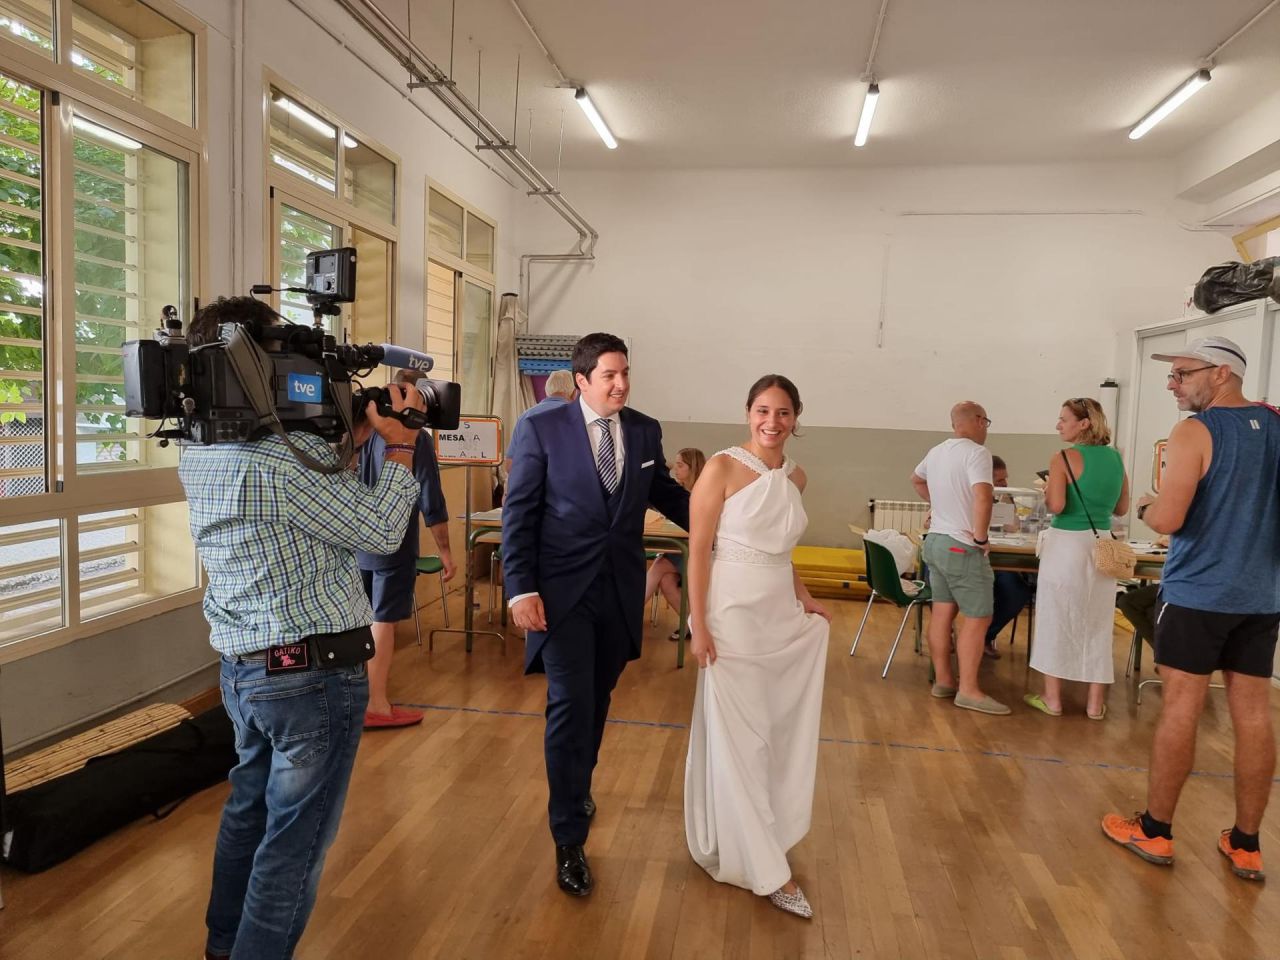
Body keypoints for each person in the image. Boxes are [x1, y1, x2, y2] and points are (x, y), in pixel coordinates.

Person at [179, 297, 425, 960]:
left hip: (244, 671)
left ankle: (222, 947)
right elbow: (376, 531)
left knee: (248, 814)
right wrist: (401, 447)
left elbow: (307, 510)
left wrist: (356, 441)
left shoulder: (201, 450)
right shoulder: (280, 463)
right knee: (294, 845)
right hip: (311, 678)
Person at [503, 333, 691, 897]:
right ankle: (568, 836)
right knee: (570, 702)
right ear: (581, 380)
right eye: (609, 375)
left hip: (618, 592)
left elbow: (668, 496)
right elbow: (520, 513)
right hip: (560, 595)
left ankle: (579, 780)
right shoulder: (541, 428)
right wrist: (520, 590)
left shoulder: (643, 429)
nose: (621, 384)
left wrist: (728, 514)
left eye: (626, 373)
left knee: (599, 697)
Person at [1103, 336, 1280, 883]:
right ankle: (1246, 843)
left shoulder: (1194, 431)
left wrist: (1149, 504)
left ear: (1222, 373)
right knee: (1253, 713)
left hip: (1198, 594)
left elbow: (1169, 520)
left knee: (1182, 705)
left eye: (1182, 372)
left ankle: (1155, 831)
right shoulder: (1277, 425)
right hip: (1261, 596)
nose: (1172, 383)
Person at [684, 375, 831, 919]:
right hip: (731, 613)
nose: (773, 422)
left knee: (769, 730)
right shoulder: (719, 468)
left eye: (785, 412)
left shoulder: (797, 475)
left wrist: (805, 596)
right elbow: (698, 551)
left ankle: (758, 831)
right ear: (748, 413)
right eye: (763, 411)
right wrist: (699, 623)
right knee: (741, 734)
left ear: (797, 417)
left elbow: (782, 551)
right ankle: (771, 872)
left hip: (778, 611)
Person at [356, 369, 456, 729]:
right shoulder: (415, 438)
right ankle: (376, 702)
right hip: (392, 543)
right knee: (383, 620)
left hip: (353, 542)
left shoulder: (363, 428)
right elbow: (430, 497)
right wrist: (445, 551)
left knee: (358, 619)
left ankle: (354, 698)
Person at [1024, 398, 1129, 719]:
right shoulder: (1115, 458)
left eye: (1063, 419)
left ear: (1084, 423)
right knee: (1097, 623)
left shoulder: (1063, 458)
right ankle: (1095, 705)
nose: (1058, 425)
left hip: (1067, 546)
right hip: (1101, 547)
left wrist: (1047, 490)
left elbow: (1056, 505)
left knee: (1056, 618)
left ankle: (1052, 699)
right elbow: (1121, 508)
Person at [911, 402, 1009, 715]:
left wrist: (938, 505)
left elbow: (916, 480)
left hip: (936, 542)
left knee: (942, 613)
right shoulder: (977, 453)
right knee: (978, 617)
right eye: (987, 421)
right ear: (979, 421)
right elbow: (983, 496)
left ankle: (944, 681)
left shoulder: (937, 451)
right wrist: (980, 537)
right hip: (960, 545)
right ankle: (969, 689)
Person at [642, 447, 706, 640]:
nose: (676, 470)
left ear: (692, 468)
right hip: (681, 548)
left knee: (659, 567)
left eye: (680, 465)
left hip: (700, 552)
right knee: (666, 581)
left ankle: (626, 614)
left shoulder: (702, 492)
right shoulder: (676, 491)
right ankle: (691, 624)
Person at [983, 455, 1032, 659]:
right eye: (1000, 481)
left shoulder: (1003, 498)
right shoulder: (970, 496)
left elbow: (1014, 527)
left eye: (1005, 479)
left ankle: (985, 636)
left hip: (999, 562)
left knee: (1017, 591)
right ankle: (951, 636)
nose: (1005, 484)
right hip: (974, 561)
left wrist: (1006, 499)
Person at [502, 368, 577, 477]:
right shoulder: (578, 417)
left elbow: (510, 465)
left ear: (547, 391)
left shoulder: (525, 417)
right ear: (574, 393)